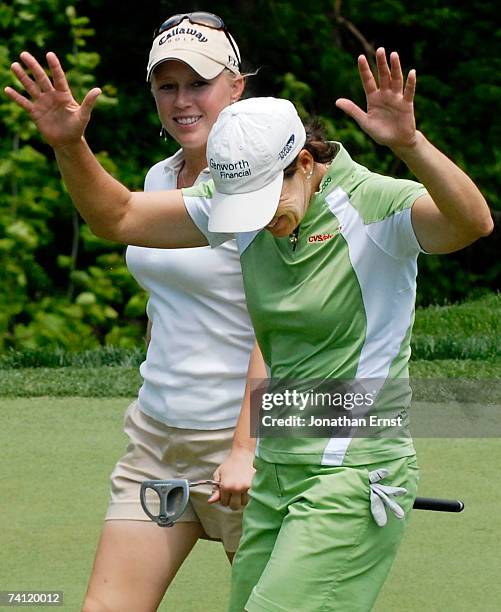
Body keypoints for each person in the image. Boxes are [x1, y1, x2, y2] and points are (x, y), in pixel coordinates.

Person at [6, 46, 493, 611]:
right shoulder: (240, 198)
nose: (258, 218)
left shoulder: (374, 205)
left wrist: (411, 145)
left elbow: (471, 223)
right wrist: (69, 144)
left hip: (356, 467)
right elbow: (118, 217)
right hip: (281, 463)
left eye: (266, 199)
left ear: (305, 163)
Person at [6, 13, 262, 612]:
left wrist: (247, 448)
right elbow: (150, 274)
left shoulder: (267, 185)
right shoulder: (161, 176)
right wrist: (69, 142)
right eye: (166, 87)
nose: (181, 101)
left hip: (242, 451)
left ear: (236, 86)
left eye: (197, 83)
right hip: (158, 443)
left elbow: (279, 329)